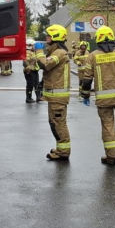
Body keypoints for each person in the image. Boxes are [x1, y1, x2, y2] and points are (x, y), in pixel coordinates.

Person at [79, 25, 115, 166]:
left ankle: (111, 157)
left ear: (98, 39)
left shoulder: (92, 56)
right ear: (112, 37)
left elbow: (87, 79)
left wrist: (85, 95)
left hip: (103, 101)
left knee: (107, 125)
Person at [36, 24, 71, 161]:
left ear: (56, 37)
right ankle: (61, 149)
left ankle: (63, 152)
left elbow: (45, 64)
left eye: (49, 36)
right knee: (55, 123)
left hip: (58, 97)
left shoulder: (59, 53)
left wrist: (38, 52)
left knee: (58, 123)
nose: (46, 38)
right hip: (54, 97)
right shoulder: (55, 51)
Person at [23, 38, 42, 103]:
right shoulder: (27, 53)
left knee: (36, 84)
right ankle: (28, 98)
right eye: (33, 45)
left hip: (34, 70)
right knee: (30, 85)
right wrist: (29, 70)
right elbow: (26, 62)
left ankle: (38, 97)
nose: (34, 46)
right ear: (29, 45)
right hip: (30, 71)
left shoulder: (32, 52)